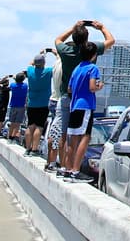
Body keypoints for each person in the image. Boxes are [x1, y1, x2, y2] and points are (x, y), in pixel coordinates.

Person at [47, 21, 114, 173]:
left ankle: (65, 166)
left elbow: (58, 40)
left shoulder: (66, 51)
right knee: (84, 135)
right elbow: (111, 41)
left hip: (66, 98)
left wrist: (74, 27)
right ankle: (75, 169)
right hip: (84, 102)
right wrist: (102, 27)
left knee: (66, 135)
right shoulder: (90, 51)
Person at [62, 41, 103, 182]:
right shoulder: (93, 68)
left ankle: (68, 170)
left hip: (74, 106)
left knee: (73, 139)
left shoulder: (76, 69)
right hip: (86, 106)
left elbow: (69, 89)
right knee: (85, 138)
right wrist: (99, 86)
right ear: (93, 55)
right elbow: (92, 87)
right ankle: (76, 170)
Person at [24, 53, 53, 157]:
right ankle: (34, 149)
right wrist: (53, 52)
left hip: (31, 103)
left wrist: (40, 54)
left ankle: (28, 148)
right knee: (39, 127)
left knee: (30, 126)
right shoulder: (48, 71)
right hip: (43, 103)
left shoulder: (30, 71)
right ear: (44, 63)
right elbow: (59, 63)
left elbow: (30, 63)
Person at [7, 72, 29, 141]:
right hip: (21, 106)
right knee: (18, 123)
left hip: (13, 105)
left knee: (12, 122)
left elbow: (15, 83)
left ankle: (9, 136)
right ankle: (13, 137)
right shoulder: (25, 86)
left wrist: (14, 77)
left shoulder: (13, 85)